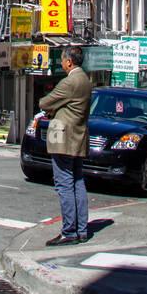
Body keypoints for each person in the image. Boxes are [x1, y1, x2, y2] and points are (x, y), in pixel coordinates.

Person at [40, 45, 92, 245]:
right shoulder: (86, 80)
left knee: (64, 184)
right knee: (78, 182)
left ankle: (69, 231)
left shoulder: (69, 82)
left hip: (63, 139)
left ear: (69, 62)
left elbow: (45, 102)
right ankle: (81, 229)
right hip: (78, 137)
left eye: (63, 60)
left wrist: (52, 108)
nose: (62, 63)